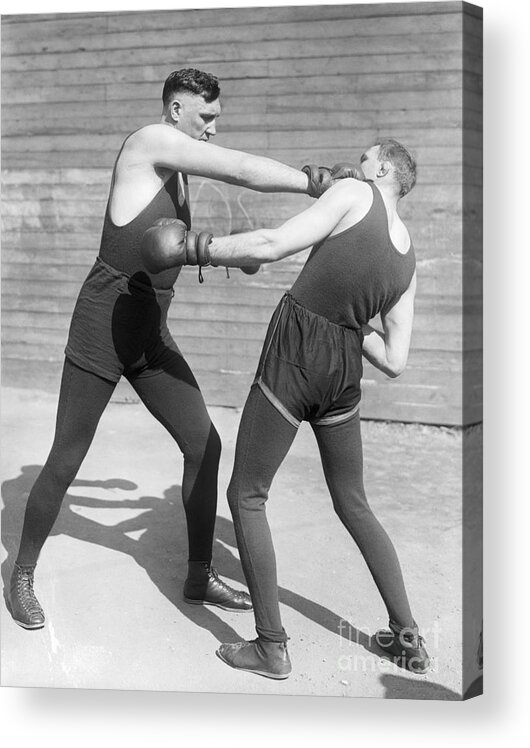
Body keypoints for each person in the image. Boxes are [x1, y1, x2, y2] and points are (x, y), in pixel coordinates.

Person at [8, 68, 343, 630]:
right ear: (176, 110)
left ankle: (198, 574)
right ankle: (20, 573)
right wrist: (314, 182)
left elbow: (178, 247)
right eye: (206, 116)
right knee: (67, 458)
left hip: (149, 334)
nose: (213, 128)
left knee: (204, 444)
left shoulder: (178, 169)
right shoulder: (149, 143)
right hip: (102, 325)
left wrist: (232, 253)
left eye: (217, 118)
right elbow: (240, 169)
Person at [140, 138, 430, 679]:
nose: (356, 163)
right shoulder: (408, 257)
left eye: (366, 158)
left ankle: (271, 647)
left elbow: (273, 244)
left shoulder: (353, 193)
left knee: (245, 495)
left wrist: (195, 248)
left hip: (297, 351)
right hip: (345, 366)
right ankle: (409, 637)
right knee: (353, 502)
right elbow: (395, 359)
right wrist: (350, 320)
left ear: (384, 168)